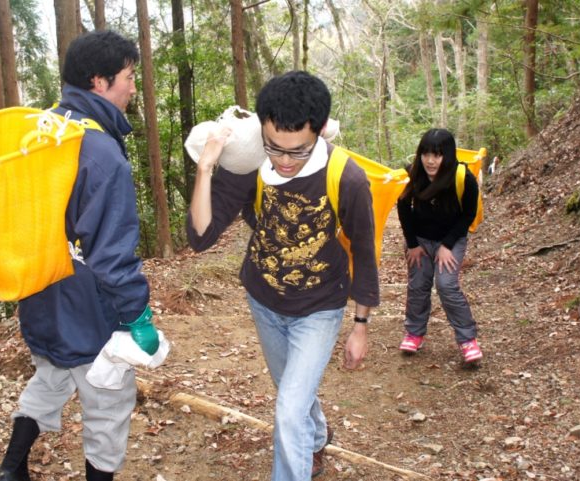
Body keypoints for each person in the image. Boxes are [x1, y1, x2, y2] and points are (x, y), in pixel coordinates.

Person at [187, 71, 379, 480]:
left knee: (289, 409)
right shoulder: (251, 163)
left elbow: (364, 251)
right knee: (292, 393)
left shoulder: (346, 177)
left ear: (320, 131)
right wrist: (205, 167)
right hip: (265, 299)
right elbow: (201, 236)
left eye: (298, 151)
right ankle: (317, 437)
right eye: (274, 147)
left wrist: (360, 325)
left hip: (320, 306)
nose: (285, 161)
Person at [0, 30, 158, 481]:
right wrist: (137, 316)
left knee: (51, 376)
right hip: (91, 306)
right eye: (128, 76)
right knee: (109, 403)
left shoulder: (40, 130)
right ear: (99, 81)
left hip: (41, 292)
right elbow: (112, 254)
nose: (133, 87)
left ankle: (11, 470)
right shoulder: (101, 153)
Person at [396, 128, 483, 365]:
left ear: (448, 154)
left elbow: (468, 215)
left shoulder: (463, 178)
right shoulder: (415, 174)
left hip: (450, 240)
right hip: (420, 241)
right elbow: (403, 206)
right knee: (418, 285)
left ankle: (468, 340)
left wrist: (447, 245)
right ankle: (414, 333)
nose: (430, 161)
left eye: (437, 155)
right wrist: (412, 244)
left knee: (446, 285)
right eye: (425, 154)